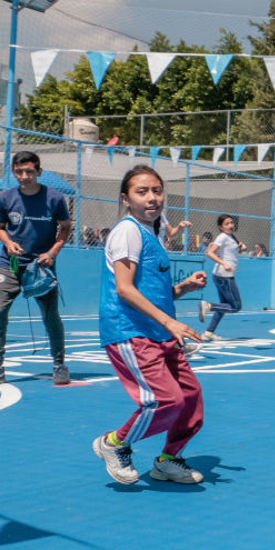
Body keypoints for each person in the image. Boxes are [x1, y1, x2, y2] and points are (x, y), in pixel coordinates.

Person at [92, 165, 210, 485]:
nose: (151, 197)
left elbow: (153, 293)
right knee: (165, 401)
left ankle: (168, 460)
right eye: (141, 192)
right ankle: (114, 443)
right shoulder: (128, 231)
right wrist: (170, 321)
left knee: (190, 399)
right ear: (126, 199)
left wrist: (183, 288)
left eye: (156, 190)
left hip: (157, 331)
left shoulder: (153, 234)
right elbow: (125, 289)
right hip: (131, 331)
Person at [0, 151, 73, 385]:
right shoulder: (5, 198)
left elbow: (64, 228)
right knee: (0, 311)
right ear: (13, 172)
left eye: (29, 171)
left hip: (41, 266)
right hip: (9, 264)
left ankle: (59, 364)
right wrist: (8, 242)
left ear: (38, 172)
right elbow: (1, 227)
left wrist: (52, 253)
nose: (24, 176)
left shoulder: (54, 198)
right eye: (19, 172)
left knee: (51, 315)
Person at [196, 214, 245, 341]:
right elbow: (210, 253)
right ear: (220, 227)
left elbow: (233, 252)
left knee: (224, 306)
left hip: (223, 275)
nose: (231, 225)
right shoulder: (222, 237)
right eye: (227, 224)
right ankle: (208, 306)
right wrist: (224, 263)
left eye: (232, 223)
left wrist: (240, 247)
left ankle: (208, 333)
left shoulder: (230, 237)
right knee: (235, 306)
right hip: (224, 275)